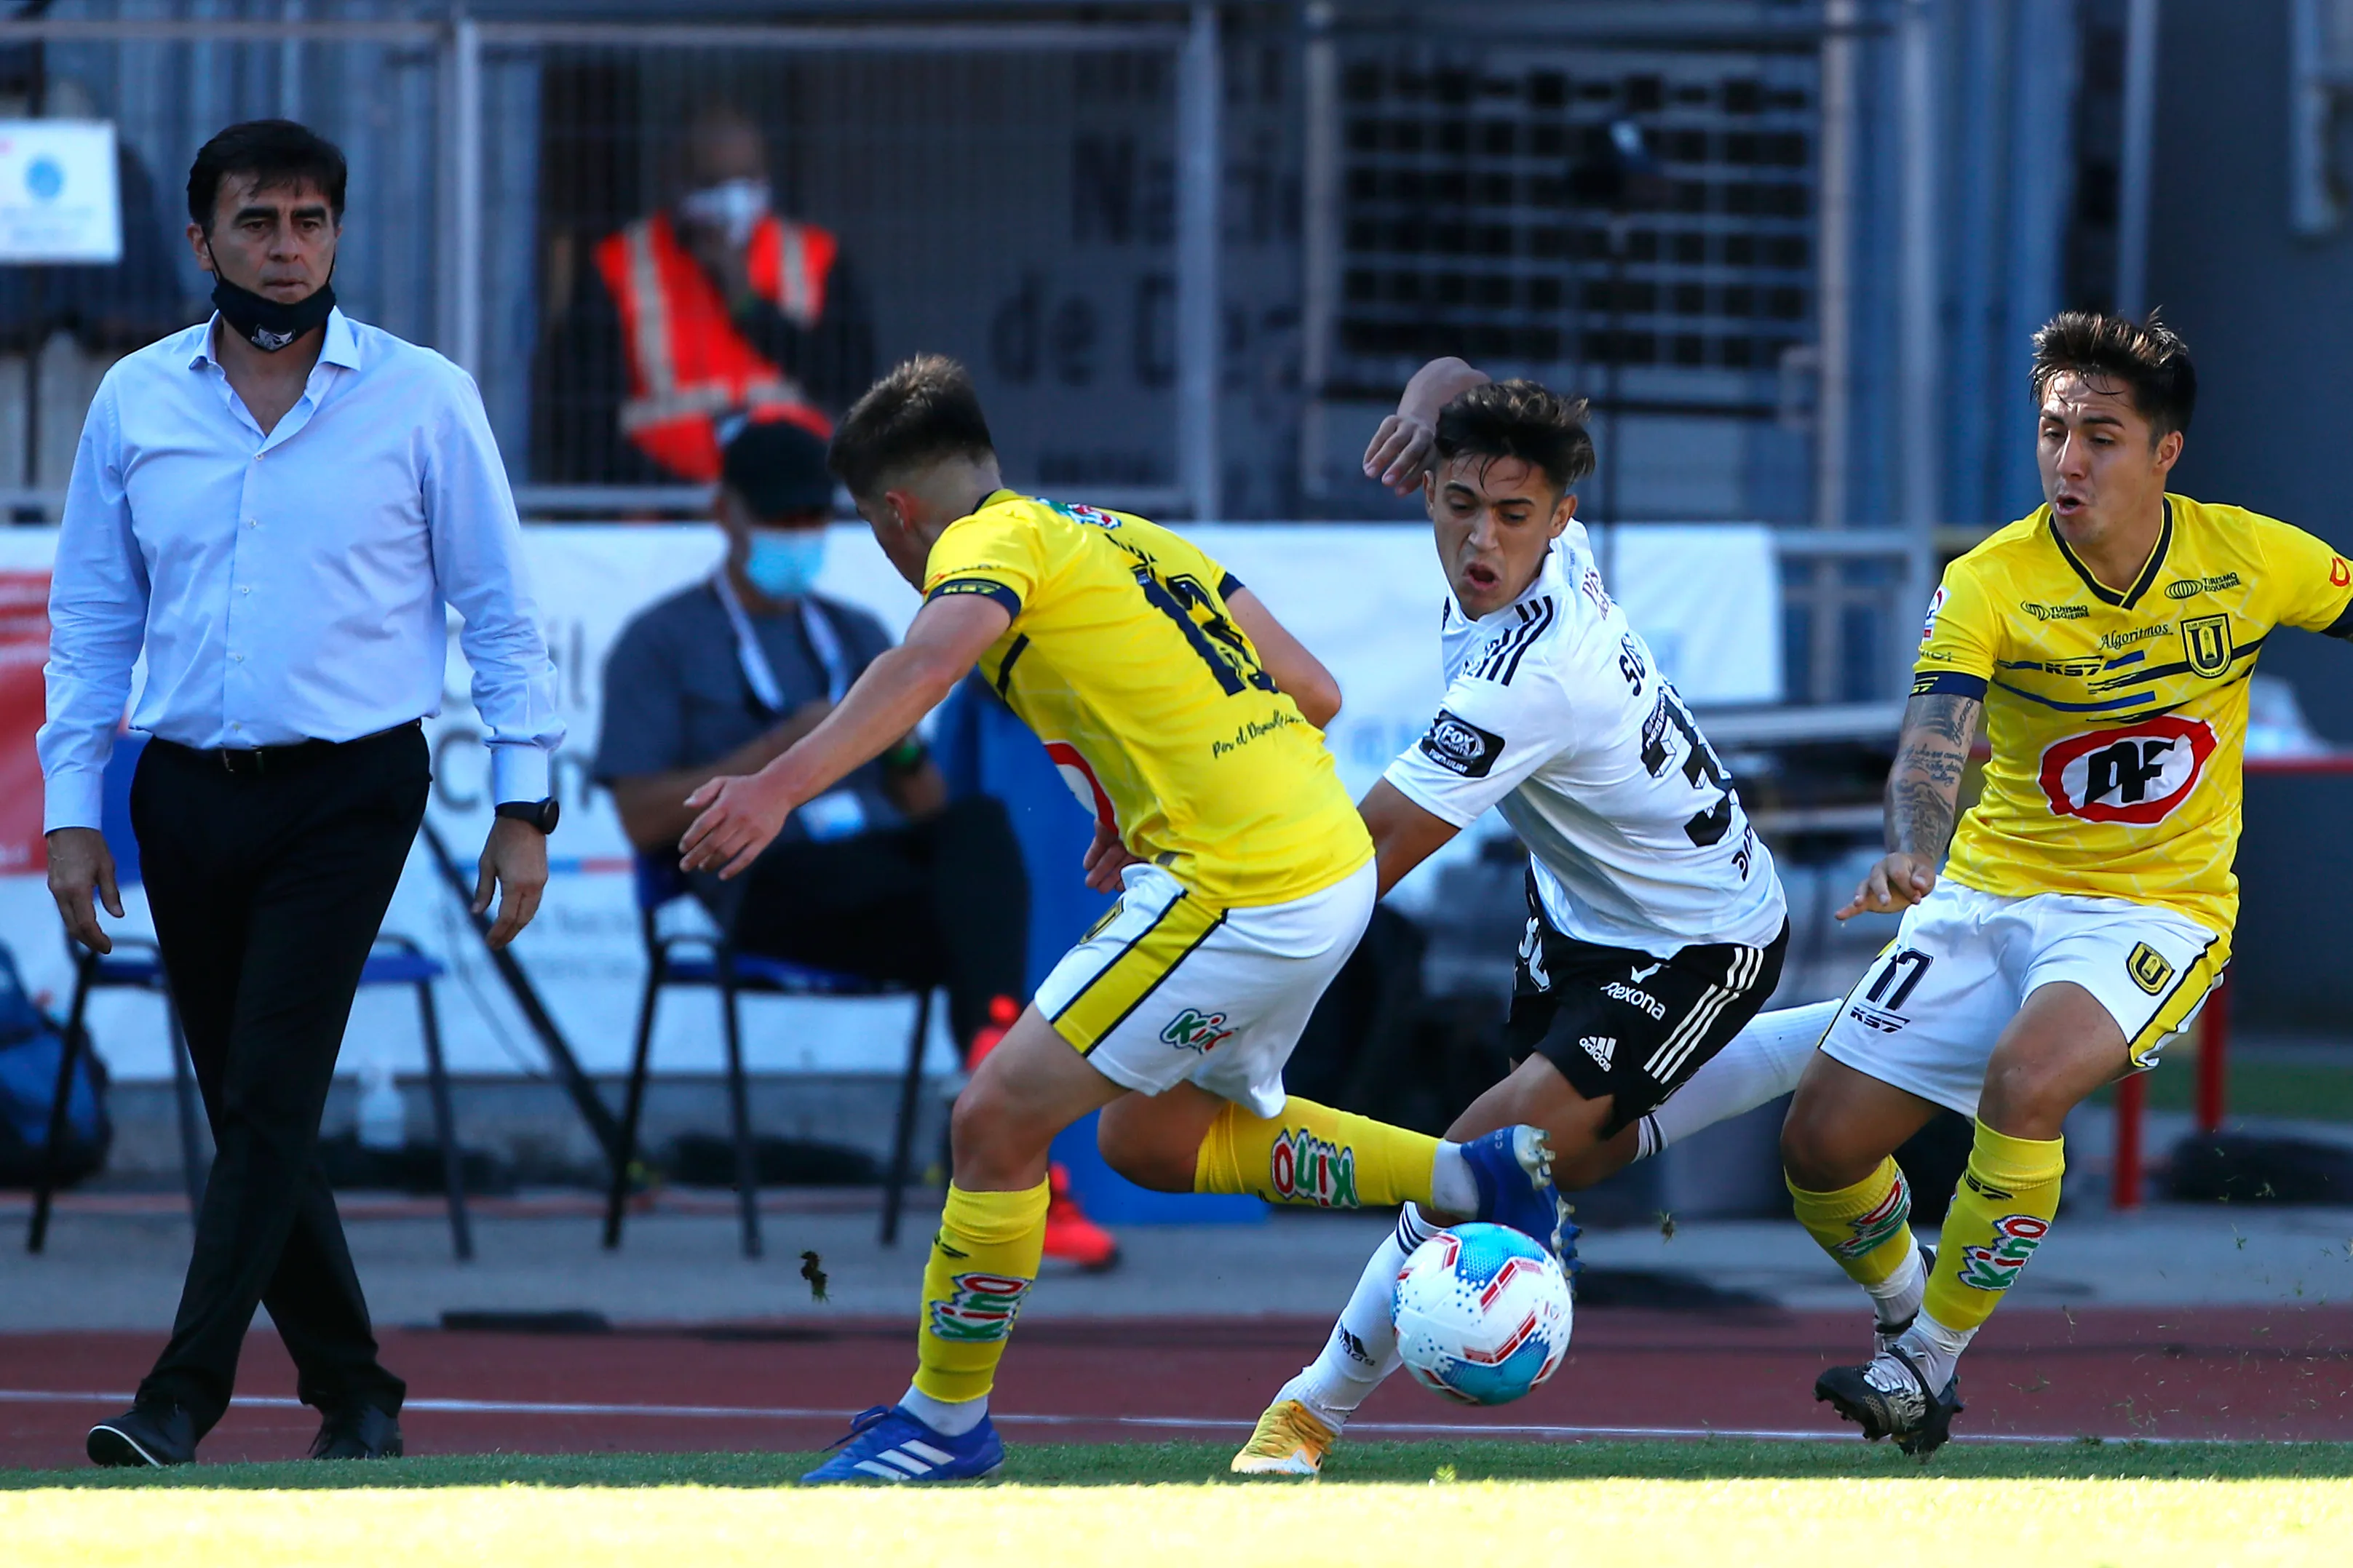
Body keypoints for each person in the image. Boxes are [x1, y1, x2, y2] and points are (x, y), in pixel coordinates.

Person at [672, 355, 1570, 1484]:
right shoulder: (1128, 535)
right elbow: (1314, 690)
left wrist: (776, 786)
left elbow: (924, 663)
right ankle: (1477, 1180)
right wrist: (1143, 802)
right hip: (1323, 861)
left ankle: (943, 1424)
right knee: (1147, 1140)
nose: (899, 560)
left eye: (874, 531)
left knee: (993, 1119)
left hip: (1239, 882)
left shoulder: (980, 544)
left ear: (899, 513)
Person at [39, 120, 562, 1468]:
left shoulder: (423, 395)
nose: (287, 249)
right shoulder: (134, 400)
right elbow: (94, 617)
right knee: (252, 1107)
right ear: (200, 239)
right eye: (259, 223)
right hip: (182, 793)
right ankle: (355, 1386)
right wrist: (71, 806)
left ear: (339, 234)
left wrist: (526, 802)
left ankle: (181, 1397)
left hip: (353, 788)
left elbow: (501, 615)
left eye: (311, 222)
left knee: (269, 1091)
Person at [1224, 363, 1829, 1477]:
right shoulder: (1535, 543)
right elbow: (1456, 375)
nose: (1481, 542)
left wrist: (1218, 953)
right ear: (1428, 494)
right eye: (1460, 505)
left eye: (1513, 516)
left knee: (1476, 1153)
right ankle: (1846, 1029)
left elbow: (1372, 855)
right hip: (1574, 912)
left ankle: (1308, 1411)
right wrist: (1420, 408)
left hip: (1700, 936)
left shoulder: (1534, 674)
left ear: (1562, 519)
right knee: (1560, 1163)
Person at [1784, 311, 2353, 1455]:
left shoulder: (2252, 557)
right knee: (1819, 1146)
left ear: (2165, 453)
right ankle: (1912, 1311)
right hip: (1986, 895)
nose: (2069, 460)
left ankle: (1925, 1360)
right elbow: (1934, 735)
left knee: (2025, 1080)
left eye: (2100, 434)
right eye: (2053, 431)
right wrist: (1912, 845)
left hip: (2154, 908)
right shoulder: (1990, 578)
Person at [592, 418, 1114, 1268]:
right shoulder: (663, 640)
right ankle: (1014, 1139)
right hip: (762, 886)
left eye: (812, 520)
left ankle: (993, 1071)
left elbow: (925, 804)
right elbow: (642, 821)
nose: (799, 537)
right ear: (725, 513)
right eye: (780, 519)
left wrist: (887, 738)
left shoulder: (855, 634)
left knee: (977, 830)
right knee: (970, 904)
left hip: (873, 884)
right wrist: (784, 755)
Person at [534, 103, 876, 485]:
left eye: (746, 180)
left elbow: (852, 384)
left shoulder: (816, 258)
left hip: (786, 502)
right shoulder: (618, 266)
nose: (732, 200)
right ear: (677, 182)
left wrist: (748, 303)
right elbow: (579, 412)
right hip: (662, 510)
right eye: (713, 183)